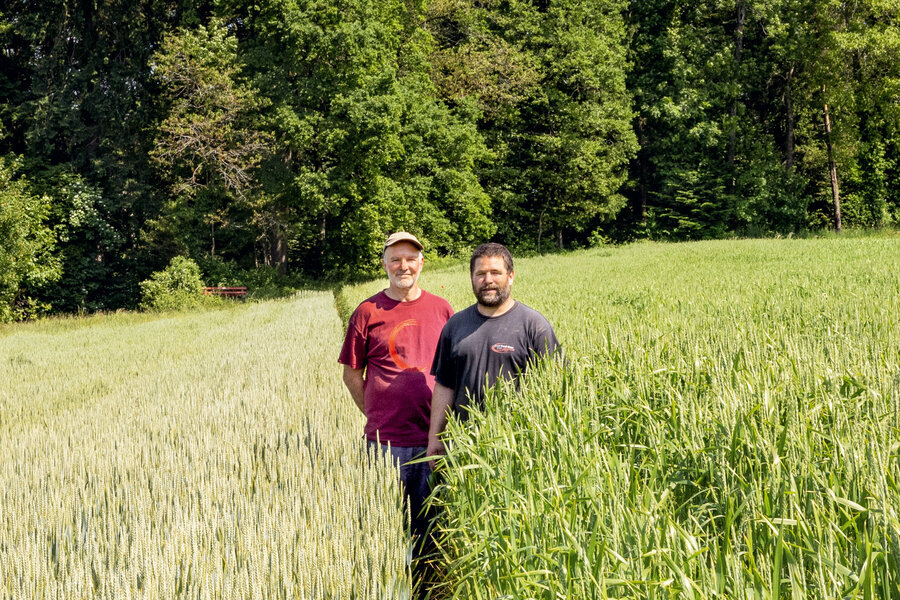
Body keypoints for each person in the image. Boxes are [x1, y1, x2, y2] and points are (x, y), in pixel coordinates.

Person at [338, 231, 453, 547]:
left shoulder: (443, 310)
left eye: (411, 259)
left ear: (421, 263)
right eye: (396, 259)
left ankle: (426, 588)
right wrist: (377, 414)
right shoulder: (367, 312)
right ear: (385, 264)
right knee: (386, 533)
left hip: (434, 443)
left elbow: (453, 374)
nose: (404, 266)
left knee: (432, 535)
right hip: (384, 445)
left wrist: (441, 431)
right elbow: (351, 375)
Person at [427, 242, 560, 460]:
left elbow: (554, 390)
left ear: (510, 276)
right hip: (463, 448)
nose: (488, 280)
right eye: (481, 273)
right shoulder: (455, 325)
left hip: (518, 449)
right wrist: (435, 438)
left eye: (495, 272)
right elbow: (444, 386)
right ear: (471, 277)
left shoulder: (534, 326)